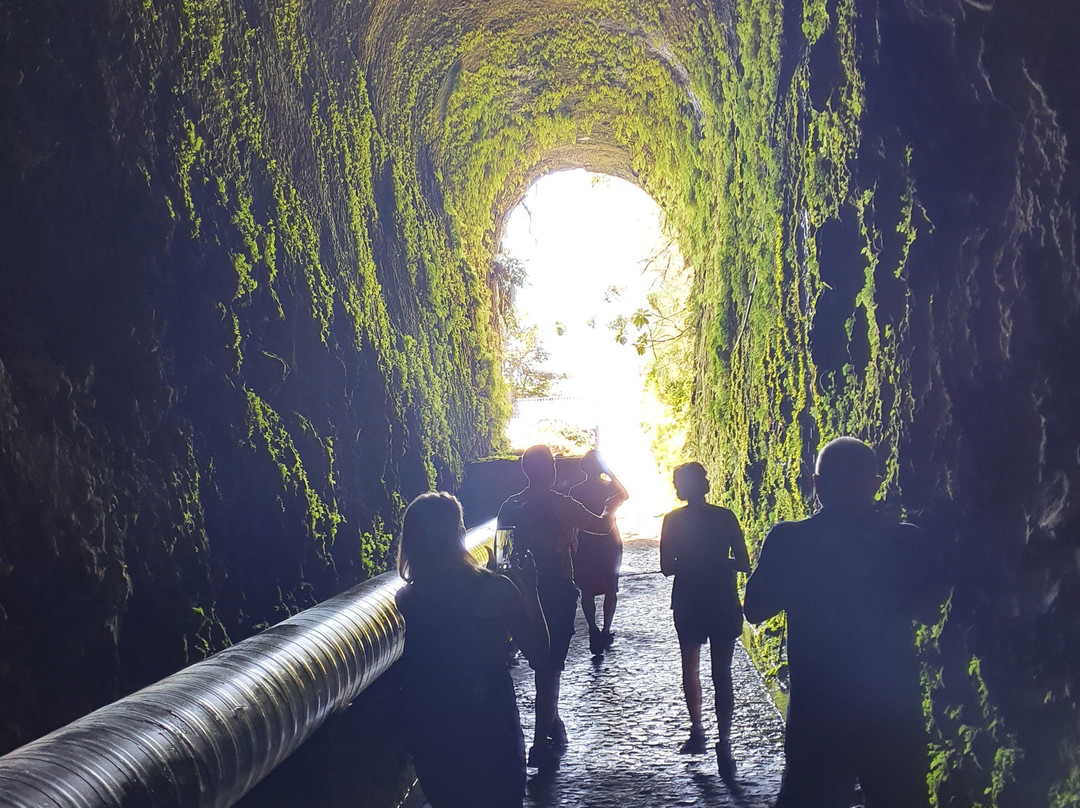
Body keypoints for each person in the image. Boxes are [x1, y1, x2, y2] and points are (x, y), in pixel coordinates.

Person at [743, 437, 945, 808]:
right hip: (891, 711)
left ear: (816, 484)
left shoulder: (791, 540)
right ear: (876, 484)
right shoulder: (903, 540)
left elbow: (754, 609)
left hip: (817, 715)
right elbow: (930, 610)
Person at [396, 492, 548, 808]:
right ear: (459, 534)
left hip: (435, 730)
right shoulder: (495, 589)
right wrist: (529, 591)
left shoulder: (409, 599)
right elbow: (539, 652)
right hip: (491, 725)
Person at [497, 445, 620, 773]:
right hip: (557, 595)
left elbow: (502, 558)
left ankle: (552, 722)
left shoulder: (510, 507)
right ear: (549, 470)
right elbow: (601, 526)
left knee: (540, 665)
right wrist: (612, 507)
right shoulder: (564, 505)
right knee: (550, 670)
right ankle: (539, 745)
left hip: (522, 595)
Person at [660, 461, 750, 781]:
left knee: (691, 668)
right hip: (722, 598)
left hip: (688, 599)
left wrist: (690, 560)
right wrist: (716, 560)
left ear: (681, 487)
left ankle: (697, 731)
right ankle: (724, 741)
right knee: (721, 672)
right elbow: (743, 562)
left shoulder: (672, 520)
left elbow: (666, 568)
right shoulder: (724, 517)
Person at [569, 450, 629, 656]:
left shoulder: (576, 491)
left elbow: (572, 522)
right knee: (611, 587)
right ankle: (605, 629)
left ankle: (593, 627)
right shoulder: (609, 487)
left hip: (587, 542)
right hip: (610, 541)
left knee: (587, 590)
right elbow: (625, 495)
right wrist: (610, 473)